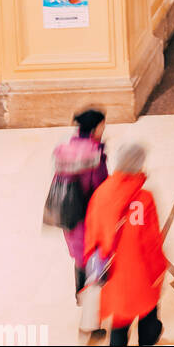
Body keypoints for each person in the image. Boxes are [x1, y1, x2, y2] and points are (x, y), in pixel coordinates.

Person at [83, 142, 166, 347]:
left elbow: (92, 238)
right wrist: (158, 272)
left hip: (114, 277)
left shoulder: (100, 195)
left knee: (119, 323)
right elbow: (151, 243)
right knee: (147, 318)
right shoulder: (144, 199)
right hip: (142, 276)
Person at [50, 109, 109, 310]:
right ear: (95, 128)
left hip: (69, 216)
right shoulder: (94, 155)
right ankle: (92, 311)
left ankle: (79, 295)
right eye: (103, 125)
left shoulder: (66, 150)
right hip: (89, 217)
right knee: (95, 260)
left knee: (79, 258)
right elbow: (102, 190)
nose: (105, 128)